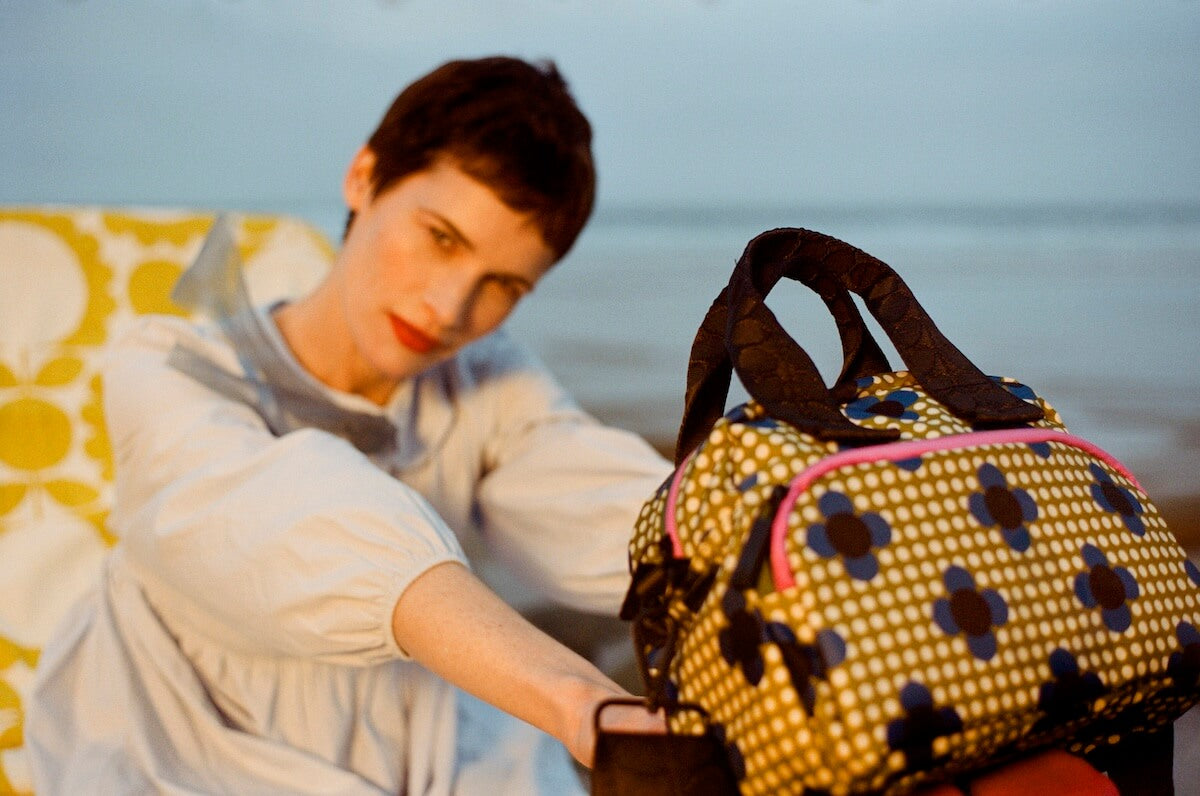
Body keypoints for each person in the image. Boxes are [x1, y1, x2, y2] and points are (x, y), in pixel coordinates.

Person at [26, 56, 670, 794]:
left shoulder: (486, 385)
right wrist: (573, 696)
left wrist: (776, 526)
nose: (451, 307)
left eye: (503, 284)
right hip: (186, 745)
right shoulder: (169, 369)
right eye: (442, 238)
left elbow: (601, 500)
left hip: (420, 734)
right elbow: (298, 517)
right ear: (363, 177)